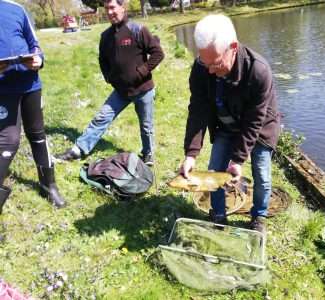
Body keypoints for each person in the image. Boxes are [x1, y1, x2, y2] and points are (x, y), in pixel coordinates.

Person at [179, 15, 281, 235]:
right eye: (205, 63)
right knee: (215, 170)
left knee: (261, 174)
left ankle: (259, 215)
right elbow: (198, 111)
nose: (210, 71)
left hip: (260, 127)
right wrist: (191, 154)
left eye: (215, 63)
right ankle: (218, 213)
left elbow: (254, 121)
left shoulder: (258, 71)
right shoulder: (202, 69)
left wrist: (237, 160)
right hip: (225, 124)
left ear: (233, 48)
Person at [57, 0, 164, 166]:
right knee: (101, 118)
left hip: (143, 89)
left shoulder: (137, 30)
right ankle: (78, 150)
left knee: (146, 125)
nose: (110, 12)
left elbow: (158, 53)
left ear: (123, 7)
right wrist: (109, 77)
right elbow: (102, 60)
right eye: (107, 8)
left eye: (113, 7)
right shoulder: (105, 36)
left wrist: (142, 72)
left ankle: (148, 154)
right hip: (121, 91)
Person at [0, 0, 66, 213]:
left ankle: (49, 185)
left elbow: (34, 43)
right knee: (8, 141)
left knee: (38, 135)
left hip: (30, 85)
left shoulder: (17, 9)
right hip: (3, 89)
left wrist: (38, 59)